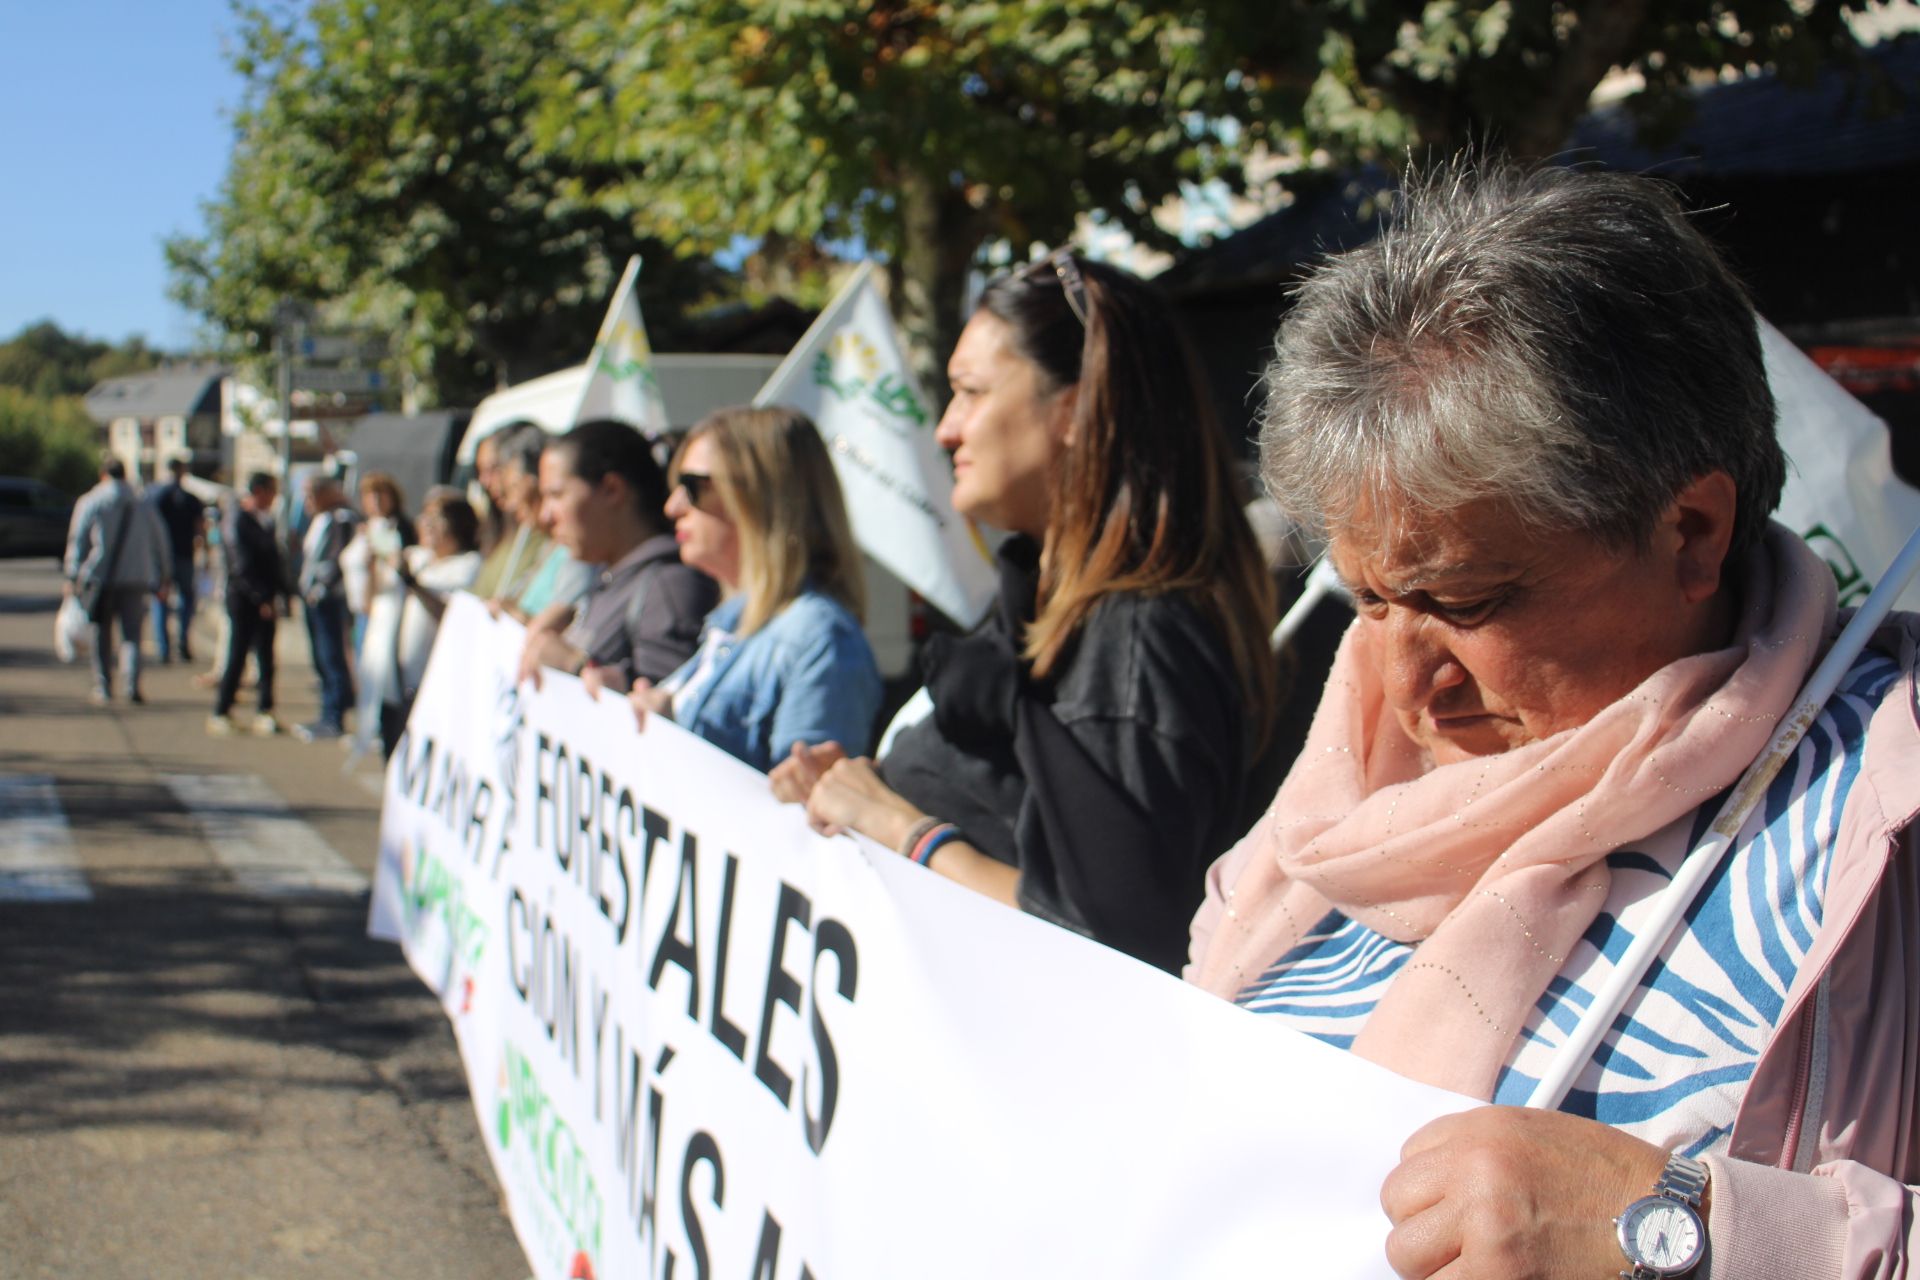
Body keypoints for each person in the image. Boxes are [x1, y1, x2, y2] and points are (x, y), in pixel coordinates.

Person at [1185, 157, 1920, 1280]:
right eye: (1367, 596)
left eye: (1465, 602)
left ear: (1690, 533)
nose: (1403, 674)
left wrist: (1689, 1232)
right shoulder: (1338, 779)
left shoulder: (1884, 800)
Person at [775, 252, 1281, 975]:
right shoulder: (1044, 608)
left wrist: (895, 824)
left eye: (970, 393)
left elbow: (1106, 946)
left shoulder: (1136, 639)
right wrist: (855, 789)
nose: (945, 430)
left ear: (1075, 410)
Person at [623, 405, 882, 771]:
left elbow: (803, 813)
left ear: (763, 497)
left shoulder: (819, 637)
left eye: (693, 487)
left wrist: (674, 738)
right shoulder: (730, 624)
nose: (672, 507)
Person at [518, 419, 716, 691]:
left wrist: (575, 666)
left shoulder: (668, 587)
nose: (546, 515)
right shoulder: (612, 577)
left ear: (612, 490)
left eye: (556, 494)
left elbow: (669, 718)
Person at [360, 491, 482, 757]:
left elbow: (451, 613)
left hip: (430, 687)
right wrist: (373, 564)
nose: (426, 524)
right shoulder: (417, 557)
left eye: (436, 518)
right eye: (424, 516)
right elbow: (367, 603)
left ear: (458, 524)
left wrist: (413, 583)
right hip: (394, 683)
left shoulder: (468, 566)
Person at [63, 457, 170, 704]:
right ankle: (131, 685)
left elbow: (77, 540)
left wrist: (72, 574)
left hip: (101, 578)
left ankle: (104, 686)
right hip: (137, 577)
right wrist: (164, 574)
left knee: (102, 633)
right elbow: (161, 540)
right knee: (132, 635)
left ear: (103, 475)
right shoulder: (143, 502)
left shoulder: (92, 501)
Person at [209, 472, 287, 735]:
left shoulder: (263, 520)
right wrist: (262, 597)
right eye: (272, 491)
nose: (274, 498)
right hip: (245, 599)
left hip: (263, 597)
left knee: (266, 656)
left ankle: (265, 710)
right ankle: (221, 709)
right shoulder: (238, 520)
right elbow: (241, 565)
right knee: (238, 654)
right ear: (260, 491)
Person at [293, 473, 358, 742]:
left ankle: (334, 718)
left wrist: (319, 589)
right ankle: (327, 714)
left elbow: (336, 560)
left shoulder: (341, 519)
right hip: (314, 599)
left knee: (331, 657)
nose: (306, 502)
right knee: (321, 658)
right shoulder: (320, 519)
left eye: (310, 495)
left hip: (328, 600)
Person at [339, 470, 415, 653]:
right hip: (358, 609)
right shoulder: (364, 527)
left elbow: (392, 565)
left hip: (382, 610)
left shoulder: (396, 527)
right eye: (371, 496)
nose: (376, 501)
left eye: (381, 495)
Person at [145, 456, 206, 663]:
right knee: (186, 600)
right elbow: (200, 529)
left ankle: (164, 647)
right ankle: (182, 643)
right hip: (185, 555)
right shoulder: (190, 499)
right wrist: (203, 551)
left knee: (161, 600)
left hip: (164, 558)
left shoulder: (157, 496)